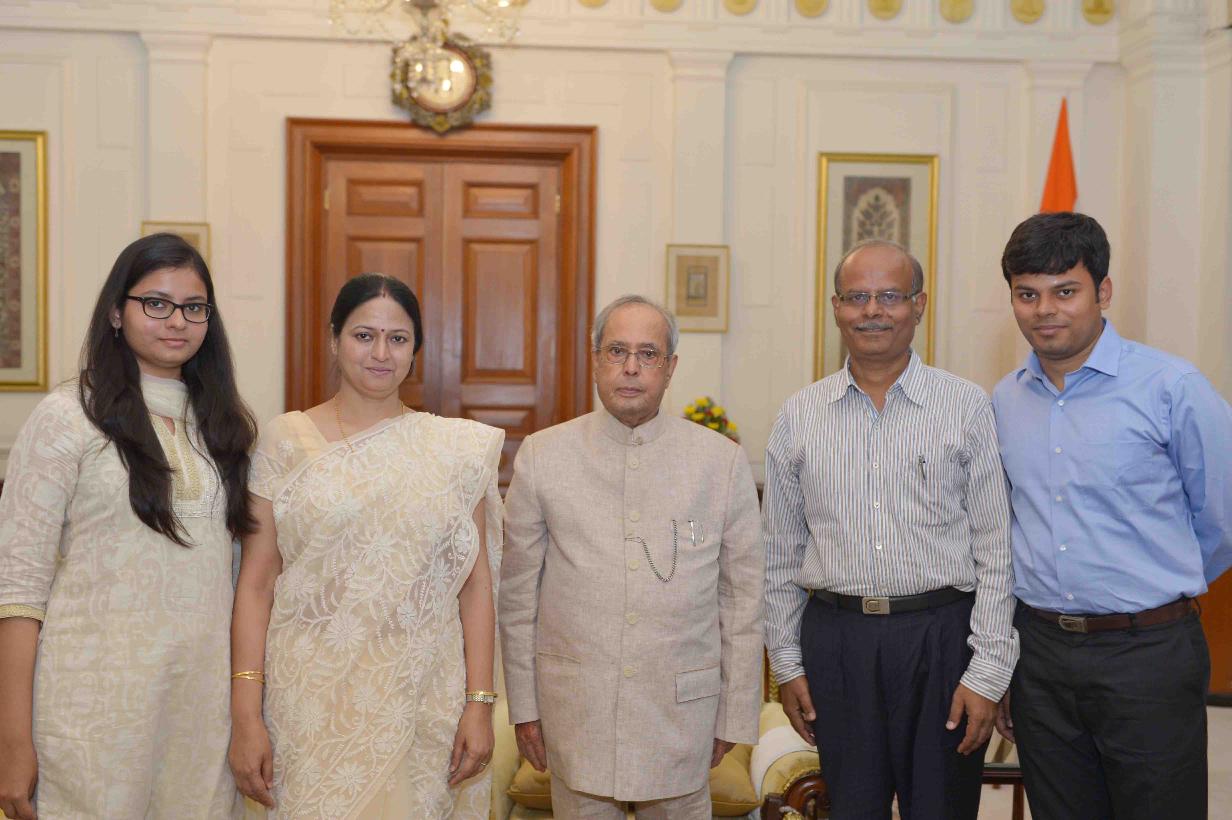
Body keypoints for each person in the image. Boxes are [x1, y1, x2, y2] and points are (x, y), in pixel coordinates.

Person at [228, 273, 504, 819]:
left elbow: (475, 586)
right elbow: (256, 583)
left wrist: (479, 704)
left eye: (398, 339)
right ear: (334, 339)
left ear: (415, 350)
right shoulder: (285, 440)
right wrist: (246, 712)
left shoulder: (455, 451)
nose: (381, 353)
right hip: (309, 699)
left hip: (419, 697)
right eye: (363, 336)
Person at [0, 233, 256, 819]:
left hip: (199, 718)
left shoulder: (225, 427)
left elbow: (242, 581)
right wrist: (12, 742)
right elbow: (17, 591)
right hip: (90, 716)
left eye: (194, 307)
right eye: (156, 303)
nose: (177, 320)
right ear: (117, 312)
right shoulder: (69, 417)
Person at [763, 240, 1018, 819]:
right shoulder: (799, 416)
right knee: (852, 808)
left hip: (943, 639)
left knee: (941, 808)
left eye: (890, 296)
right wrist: (788, 663)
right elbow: (778, 556)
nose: (872, 310)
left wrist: (988, 671)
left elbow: (996, 550)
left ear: (918, 305)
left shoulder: (965, 407)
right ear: (836, 307)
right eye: (857, 297)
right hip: (838, 641)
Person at [992, 212, 1232, 819]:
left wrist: (1154, 593)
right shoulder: (1003, 399)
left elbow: (1222, 521)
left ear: (1103, 291)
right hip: (1040, 654)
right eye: (1027, 294)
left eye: (1065, 291)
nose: (1045, 310)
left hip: (1147, 653)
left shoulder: (1172, 387)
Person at [499, 294, 763, 819]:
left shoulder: (722, 463)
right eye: (617, 351)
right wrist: (524, 709)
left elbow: (742, 601)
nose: (631, 367)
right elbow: (518, 598)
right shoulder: (544, 456)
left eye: (648, 353)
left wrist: (732, 715)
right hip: (578, 713)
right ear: (595, 359)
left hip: (682, 716)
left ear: (670, 367)